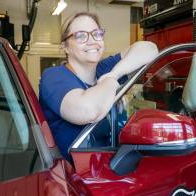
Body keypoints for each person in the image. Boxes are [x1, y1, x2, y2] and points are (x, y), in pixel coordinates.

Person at [39, 12, 158, 163]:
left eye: (97, 34)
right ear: (66, 47)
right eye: (81, 36)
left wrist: (114, 74)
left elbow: (149, 49)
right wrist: (110, 83)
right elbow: (87, 111)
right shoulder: (55, 76)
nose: (92, 41)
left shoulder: (104, 70)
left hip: (109, 169)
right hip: (75, 179)